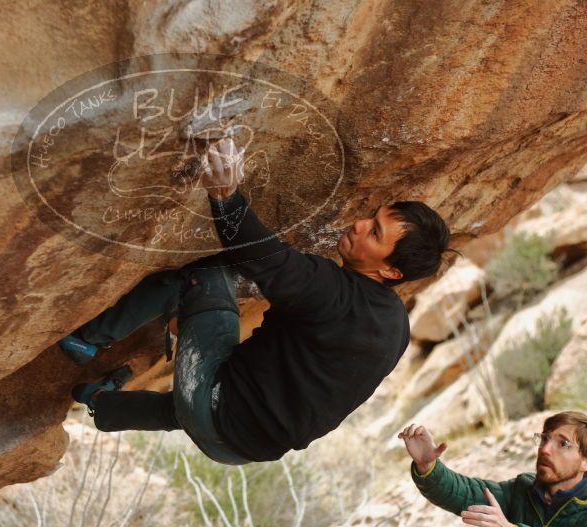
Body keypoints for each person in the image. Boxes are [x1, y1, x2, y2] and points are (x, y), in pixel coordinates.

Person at [62, 136, 454, 464]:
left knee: (209, 273)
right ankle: (100, 403)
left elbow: (260, 257)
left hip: (212, 407)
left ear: (391, 271)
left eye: (375, 233)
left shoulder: (331, 291)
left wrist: (225, 195)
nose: (360, 224)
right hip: (244, 451)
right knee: (211, 408)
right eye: (373, 216)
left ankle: (88, 338)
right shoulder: (397, 327)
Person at [399, 411, 587, 527]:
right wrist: (428, 466)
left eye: (563, 443)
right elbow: (463, 492)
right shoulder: (523, 489)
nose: (545, 449)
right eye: (544, 439)